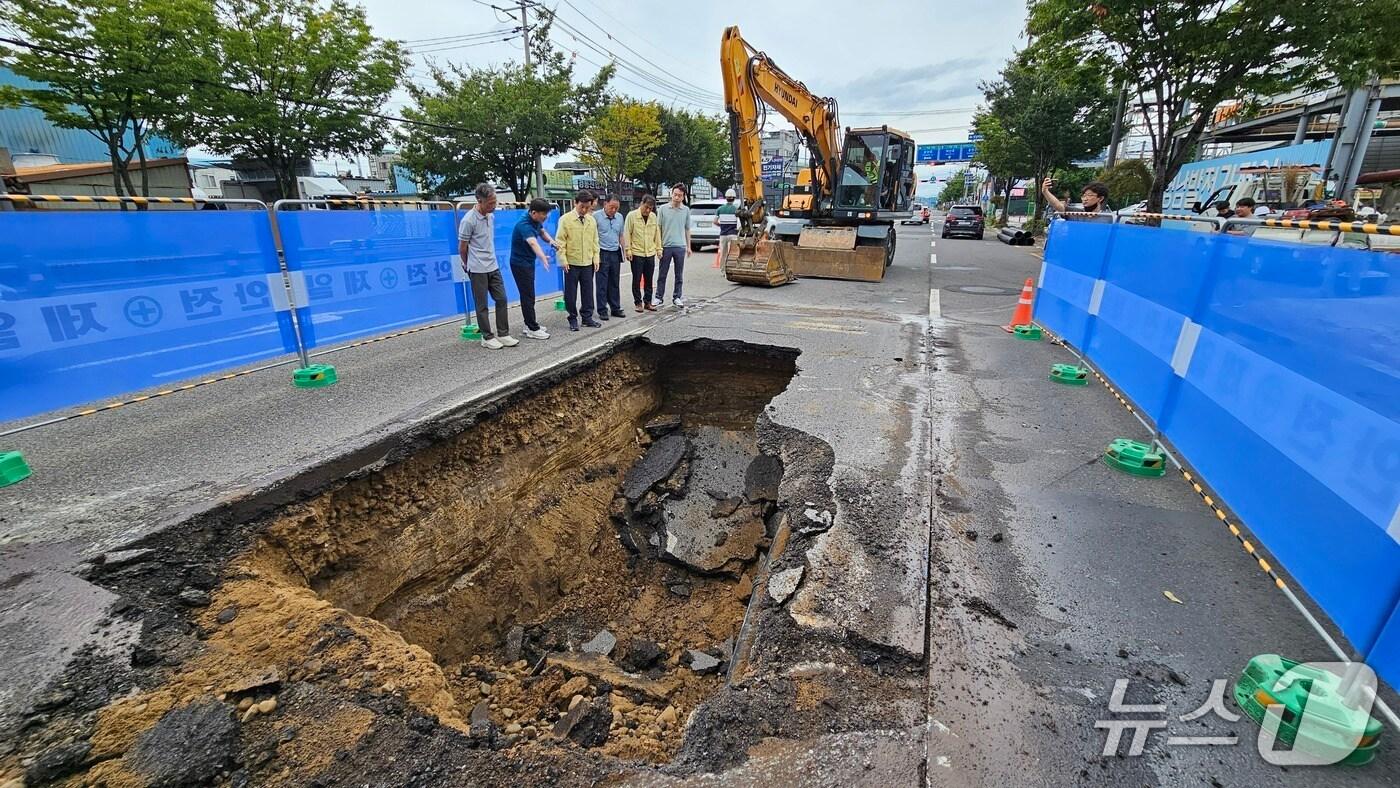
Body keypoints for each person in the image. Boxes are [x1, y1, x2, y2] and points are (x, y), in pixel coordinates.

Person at [458, 183, 517, 350]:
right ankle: (487, 336)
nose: (494, 205)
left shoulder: (491, 216)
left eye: (495, 201)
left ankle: (503, 333)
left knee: (501, 298)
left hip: (493, 265)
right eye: (490, 203)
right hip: (477, 268)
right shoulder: (469, 220)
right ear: (479, 201)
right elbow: (462, 247)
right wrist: (467, 264)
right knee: (482, 304)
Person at [509, 197, 557, 340]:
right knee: (528, 296)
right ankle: (532, 328)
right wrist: (543, 257)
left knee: (529, 295)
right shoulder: (524, 224)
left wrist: (551, 241)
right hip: (520, 264)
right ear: (534, 212)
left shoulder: (535, 220)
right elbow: (533, 243)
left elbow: (542, 233)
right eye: (544, 214)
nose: (546, 217)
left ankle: (529, 324)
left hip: (527, 262)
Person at [554, 189, 601, 331]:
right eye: (582, 207)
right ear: (575, 203)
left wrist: (596, 258)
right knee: (571, 293)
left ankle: (587, 317)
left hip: (587, 262)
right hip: (571, 263)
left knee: (588, 292)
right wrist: (562, 260)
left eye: (588, 207)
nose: (584, 210)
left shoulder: (591, 220)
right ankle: (572, 318)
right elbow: (560, 241)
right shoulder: (565, 219)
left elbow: (595, 241)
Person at [654, 183, 691, 308]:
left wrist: (689, 246)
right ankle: (659, 297)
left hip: (680, 246)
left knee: (679, 274)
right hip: (665, 245)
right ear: (671, 194)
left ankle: (677, 297)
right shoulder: (663, 209)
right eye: (675, 195)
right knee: (662, 273)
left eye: (679, 195)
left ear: (683, 197)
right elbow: (658, 228)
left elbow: (687, 229)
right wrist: (658, 246)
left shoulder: (686, 210)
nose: (676, 198)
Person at [593, 194, 627, 321]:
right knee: (602, 283)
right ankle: (602, 309)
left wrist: (625, 250)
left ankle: (615, 307)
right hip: (602, 252)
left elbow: (621, 235)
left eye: (616, 208)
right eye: (611, 207)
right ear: (605, 204)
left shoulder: (619, 217)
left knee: (614, 282)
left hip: (615, 252)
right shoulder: (596, 217)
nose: (613, 210)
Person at [625, 194, 661, 312]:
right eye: (646, 207)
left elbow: (657, 234)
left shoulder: (653, 217)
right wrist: (628, 250)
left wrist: (659, 249)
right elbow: (627, 234)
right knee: (636, 279)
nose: (648, 210)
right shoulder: (632, 216)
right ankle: (638, 302)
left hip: (650, 253)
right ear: (641, 203)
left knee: (649, 279)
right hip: (637, 253)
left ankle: (648, 302)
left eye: (650, 208)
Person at [1040, 179, 1110, 217]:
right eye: (1084, 195)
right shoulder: (1075, 214)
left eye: (1089, 195)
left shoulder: (1107, 219)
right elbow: (1058, 206)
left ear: (1100, 198)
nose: (1085, 199)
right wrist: (1045, 191)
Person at [715, 188, 739, 266]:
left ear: (726, 198)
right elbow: (739, 224)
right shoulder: (736, 210)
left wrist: (721, 225)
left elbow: (715, 221)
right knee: (734, 253)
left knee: (723, 253)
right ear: (734, 198)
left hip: (723, 234)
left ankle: (723, 270)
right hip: (733, 234)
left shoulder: (720, 209)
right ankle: (733, 267)